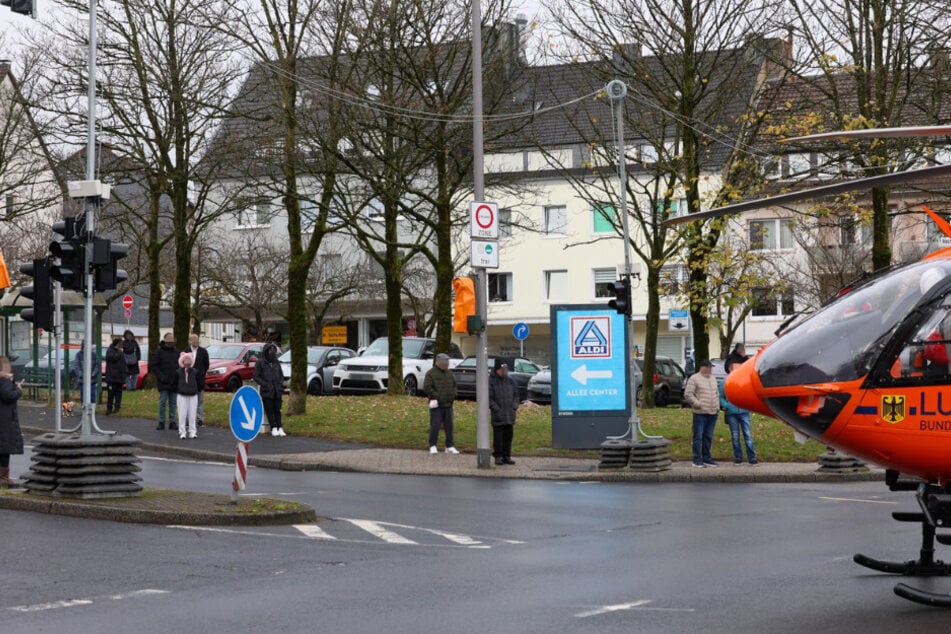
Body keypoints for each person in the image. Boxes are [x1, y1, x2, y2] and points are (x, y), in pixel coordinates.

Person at [719, 362, 758, 465]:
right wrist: (726, 406)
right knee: (735, 436)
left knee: (748, 435)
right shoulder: (724, 382)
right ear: (730, 370)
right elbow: (721, 397)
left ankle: (752, 458)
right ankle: (738, 458)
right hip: (731, 413)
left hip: (744, 411)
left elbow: (749, 394)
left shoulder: (745, 380)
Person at [684, 359, 720, 468]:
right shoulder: (694, 378)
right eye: (709, 367)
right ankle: (696, 459)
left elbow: (716, 393)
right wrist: (697, 404)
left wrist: (717, 407)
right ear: (703, 367)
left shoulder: (713, 379)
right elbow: (688, 394)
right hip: (700, 413)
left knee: (708, 436)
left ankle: (707, 458)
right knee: (698, 437)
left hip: (713, 412)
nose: (711, 370)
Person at [423, 353, 458, 454]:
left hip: (449, 404)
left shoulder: (450, 373)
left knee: (449, 425)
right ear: (438, 362)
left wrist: (454, 394)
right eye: (444, 361)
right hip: (436, 405)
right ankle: (432, 445)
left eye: (447, 362)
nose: (446, 364)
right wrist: (437, 396)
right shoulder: (430, 373)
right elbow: (427, 388)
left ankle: (450, 446)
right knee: (435, 425)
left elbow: (455, 385)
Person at [488, 358, 519, 466]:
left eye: (505, 369)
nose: (503, 371)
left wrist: (514, 407)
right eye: (501, 369)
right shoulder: (491, 381)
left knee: (508, 436)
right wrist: (496, 409)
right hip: (498, 415)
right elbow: (489, 398)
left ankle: (507, 456)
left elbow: (516, 395)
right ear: (497, 369)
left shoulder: (510, 381)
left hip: (509, 414)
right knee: (498, 438)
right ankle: (498, 456)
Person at [0, 356, 24, 488]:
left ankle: (4, 477)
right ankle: (3, 478)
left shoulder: (4, 380)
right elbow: (8, 396)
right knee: (4, 448)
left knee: (3, 448)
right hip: (4, 419)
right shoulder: (3, 381)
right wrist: (19, 390)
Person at [254, 342, 286, 437]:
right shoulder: (260, 362)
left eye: (274, 351)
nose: (272, 352)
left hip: (277, 390)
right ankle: (273, 427)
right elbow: (256, 377)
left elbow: (281, 375)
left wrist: (280, 384)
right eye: (270, 350)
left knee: (277, 409)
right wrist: (266, 385)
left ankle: (280, 427)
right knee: (270, 409)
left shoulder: (276, 362)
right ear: (266, 351)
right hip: (267, 391)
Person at [150, 333, 180, 430]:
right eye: (170, 341)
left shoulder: (177, 352)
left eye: (173, 341)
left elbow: (180, 365)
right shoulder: (158, 352)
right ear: (166, 341)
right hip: (163, 381)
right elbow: (154, 366)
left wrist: (177, 376)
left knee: (173, 403)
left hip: (174, 381)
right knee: (162, 402)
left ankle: (172, 422)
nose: (172, 343)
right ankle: (161, 422)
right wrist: (161, 377)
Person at [187, 334, 209, 427]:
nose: (196, 342)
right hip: (189, 380)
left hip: (200, 380)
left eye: (197, 340)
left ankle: (200, 419)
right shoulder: (186, 351)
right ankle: (189, 419)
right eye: (194, 340)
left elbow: (206, 364)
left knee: (200, 401)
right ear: (190, 341)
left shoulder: (203, 352)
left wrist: (202, 373)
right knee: (189, 401)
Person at [176, 352, 200, 439]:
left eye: (189, 360)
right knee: (182, 414)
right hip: (182, 395)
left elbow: (199, 382)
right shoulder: (178, 372)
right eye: (185, 360)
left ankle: (192, 431)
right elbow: (175, 382)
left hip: (193, 395)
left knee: (192, 414)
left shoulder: (194, 371)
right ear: (182, 361)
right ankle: (182, 431)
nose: (187, 362)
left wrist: (196, 390)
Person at [72, 340, 99, 405]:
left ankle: (92, 410)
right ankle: (84, 408)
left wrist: (93, 373)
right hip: (83, 380)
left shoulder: (94, 355)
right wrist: (82, 375)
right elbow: (76, 366)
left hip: (92, 379)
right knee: (83, 396)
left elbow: (97, 365)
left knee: (92, 396)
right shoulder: (78, 355)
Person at [104, 337, 126, 415]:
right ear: (117, 344)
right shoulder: (110, 351)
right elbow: (114, 358)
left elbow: (123, 364)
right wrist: (119, 352)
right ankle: (109, 408)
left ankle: (117, 407)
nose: (122, 346)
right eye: (121, 344)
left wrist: (124, 375)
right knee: (111, 394)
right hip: (112, 377)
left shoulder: (121, 353)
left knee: (118, 394)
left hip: (119, 377)